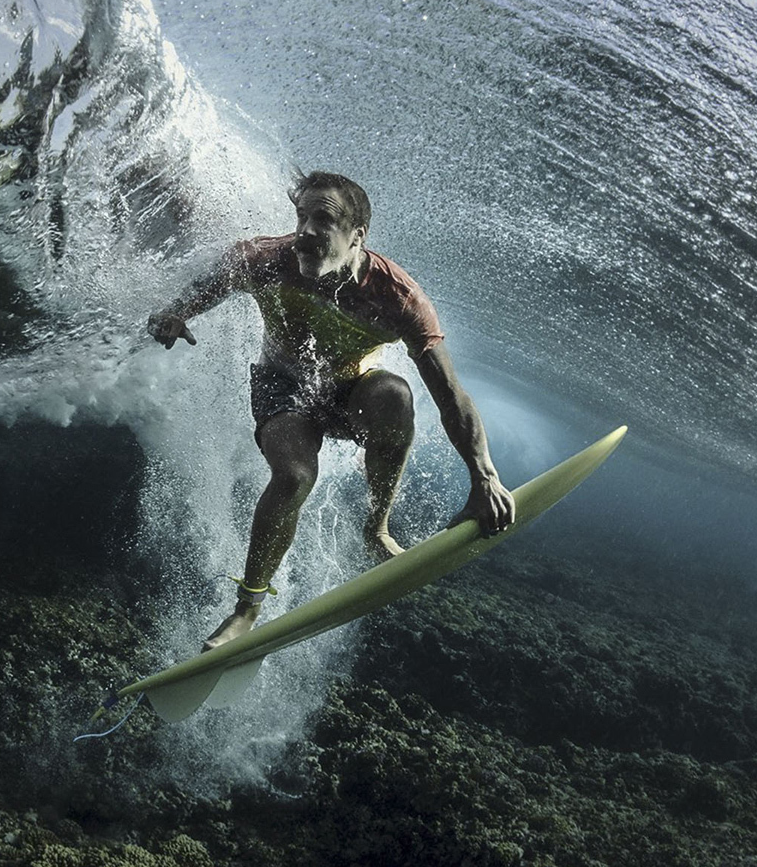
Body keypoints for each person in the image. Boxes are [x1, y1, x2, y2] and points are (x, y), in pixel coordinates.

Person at [148, 171, 517, 650]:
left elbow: (451, 396)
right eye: (301, 216)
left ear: (357, 237)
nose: (304, 231)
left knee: (395, 396)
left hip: (351, 395)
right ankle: (246, 611)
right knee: (294, 476)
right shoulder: (265, 260)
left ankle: (376, 528)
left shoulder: (398, 298)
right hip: (281, 385)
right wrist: (176, 313)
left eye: (322, 219)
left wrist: (484, 476)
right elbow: (207, 285)